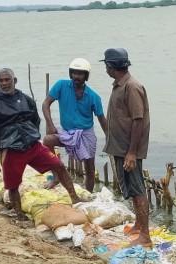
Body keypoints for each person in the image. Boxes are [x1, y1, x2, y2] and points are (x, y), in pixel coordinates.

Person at [0, 68, 83, 220]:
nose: (4, 83)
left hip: (32, 145)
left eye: (7, 80)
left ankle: (74, 197)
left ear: (14, 81)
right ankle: (19, 214)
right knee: (12, 184)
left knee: (58, 165)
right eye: (1, 81)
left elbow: (35, 120)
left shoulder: (26, 99)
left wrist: (30, 134)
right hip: (11, 149)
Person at [100, 48, 152, 248]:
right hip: (121, 147)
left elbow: (138, 120)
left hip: (129, 149)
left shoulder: (132, 87)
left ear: (112, 66)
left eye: (106, 65)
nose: (105, 68)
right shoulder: (120, 86)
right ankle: (139, 225)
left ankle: (145, 236)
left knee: (138, 188)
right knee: (130, 187)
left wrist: (132, 152)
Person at [42, 58, 107, 192]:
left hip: (85, 134)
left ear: (86, 75)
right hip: (67, 132)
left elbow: (101, 119)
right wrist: (50, 123)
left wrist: (109, 138)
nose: (76, 76)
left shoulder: (93, 96)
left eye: (80, 73)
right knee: (48, 140)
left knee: (89, 169)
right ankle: (56, 177)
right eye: (74, 73)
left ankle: (89, 192)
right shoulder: (61, 85)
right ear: (70, 73)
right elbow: (46, 104)